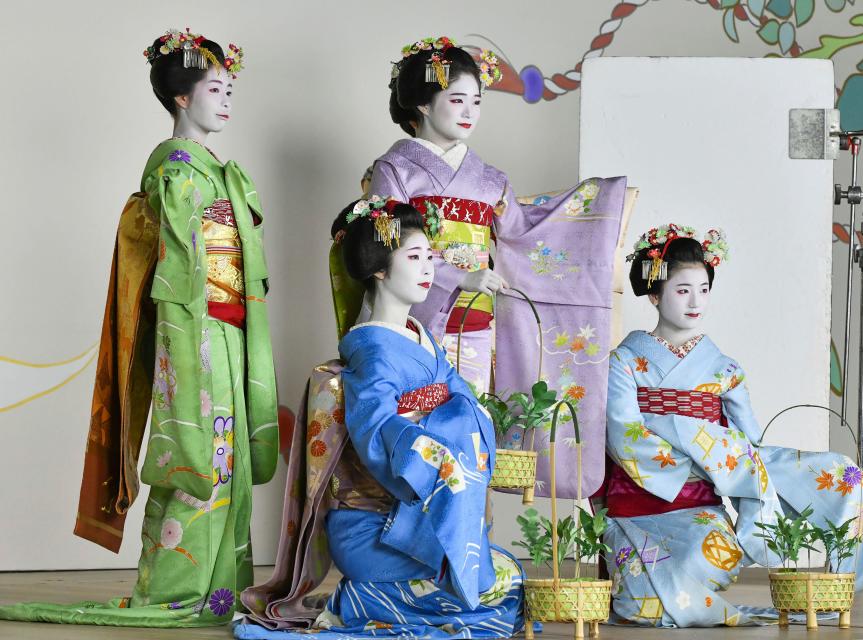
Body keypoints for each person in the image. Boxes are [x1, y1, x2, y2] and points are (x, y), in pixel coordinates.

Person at [0, 28, 278, 626]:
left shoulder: (212, 169)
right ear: (182, 98)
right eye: (214, 88)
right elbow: (179, 271)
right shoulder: (175, 171)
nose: (226, 100)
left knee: (225, 456)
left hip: (229, 330)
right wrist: (188, 342)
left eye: (230, 89)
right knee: (194, 455)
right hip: (195, 330)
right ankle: (178, 586)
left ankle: (222, 590)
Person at [235, 198, 524, 639]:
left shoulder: (419, 336)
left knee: (506, 576)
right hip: (374, 525)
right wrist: (439, 457)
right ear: (380, 269)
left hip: (414, 518)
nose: (428, 267)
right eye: (414, 257)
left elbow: (463, 399)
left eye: (430, 256)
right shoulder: (371, 350)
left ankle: (383, 599)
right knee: (489, 590)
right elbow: (376, 431)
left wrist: (462, 423)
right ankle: (360, 602)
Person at [599, 224, 863, 627]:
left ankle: (854, 569)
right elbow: (624, 434)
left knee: (723, 552)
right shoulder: (623, 361)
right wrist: (700, 452)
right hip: (641, 505)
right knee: (642, 605)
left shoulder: (725, 369)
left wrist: (715, 454)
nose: (696, 302)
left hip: (699, 503)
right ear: (655, 294)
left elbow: (748, 447)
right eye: (682, 290)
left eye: (704, 289)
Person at [365, 36, 627, 495]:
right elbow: (384, 243)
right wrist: (454, 275)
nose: (469, 111)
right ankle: (417, 549)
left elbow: (529, 236)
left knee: (471, 434)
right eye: (456, 99)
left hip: (478, 324)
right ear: (424, 105)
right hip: (415, 320)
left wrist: (595, 207)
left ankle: (472, 544)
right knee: (416, 431)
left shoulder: (490, 180)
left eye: (477, 102)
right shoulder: (396, 170)